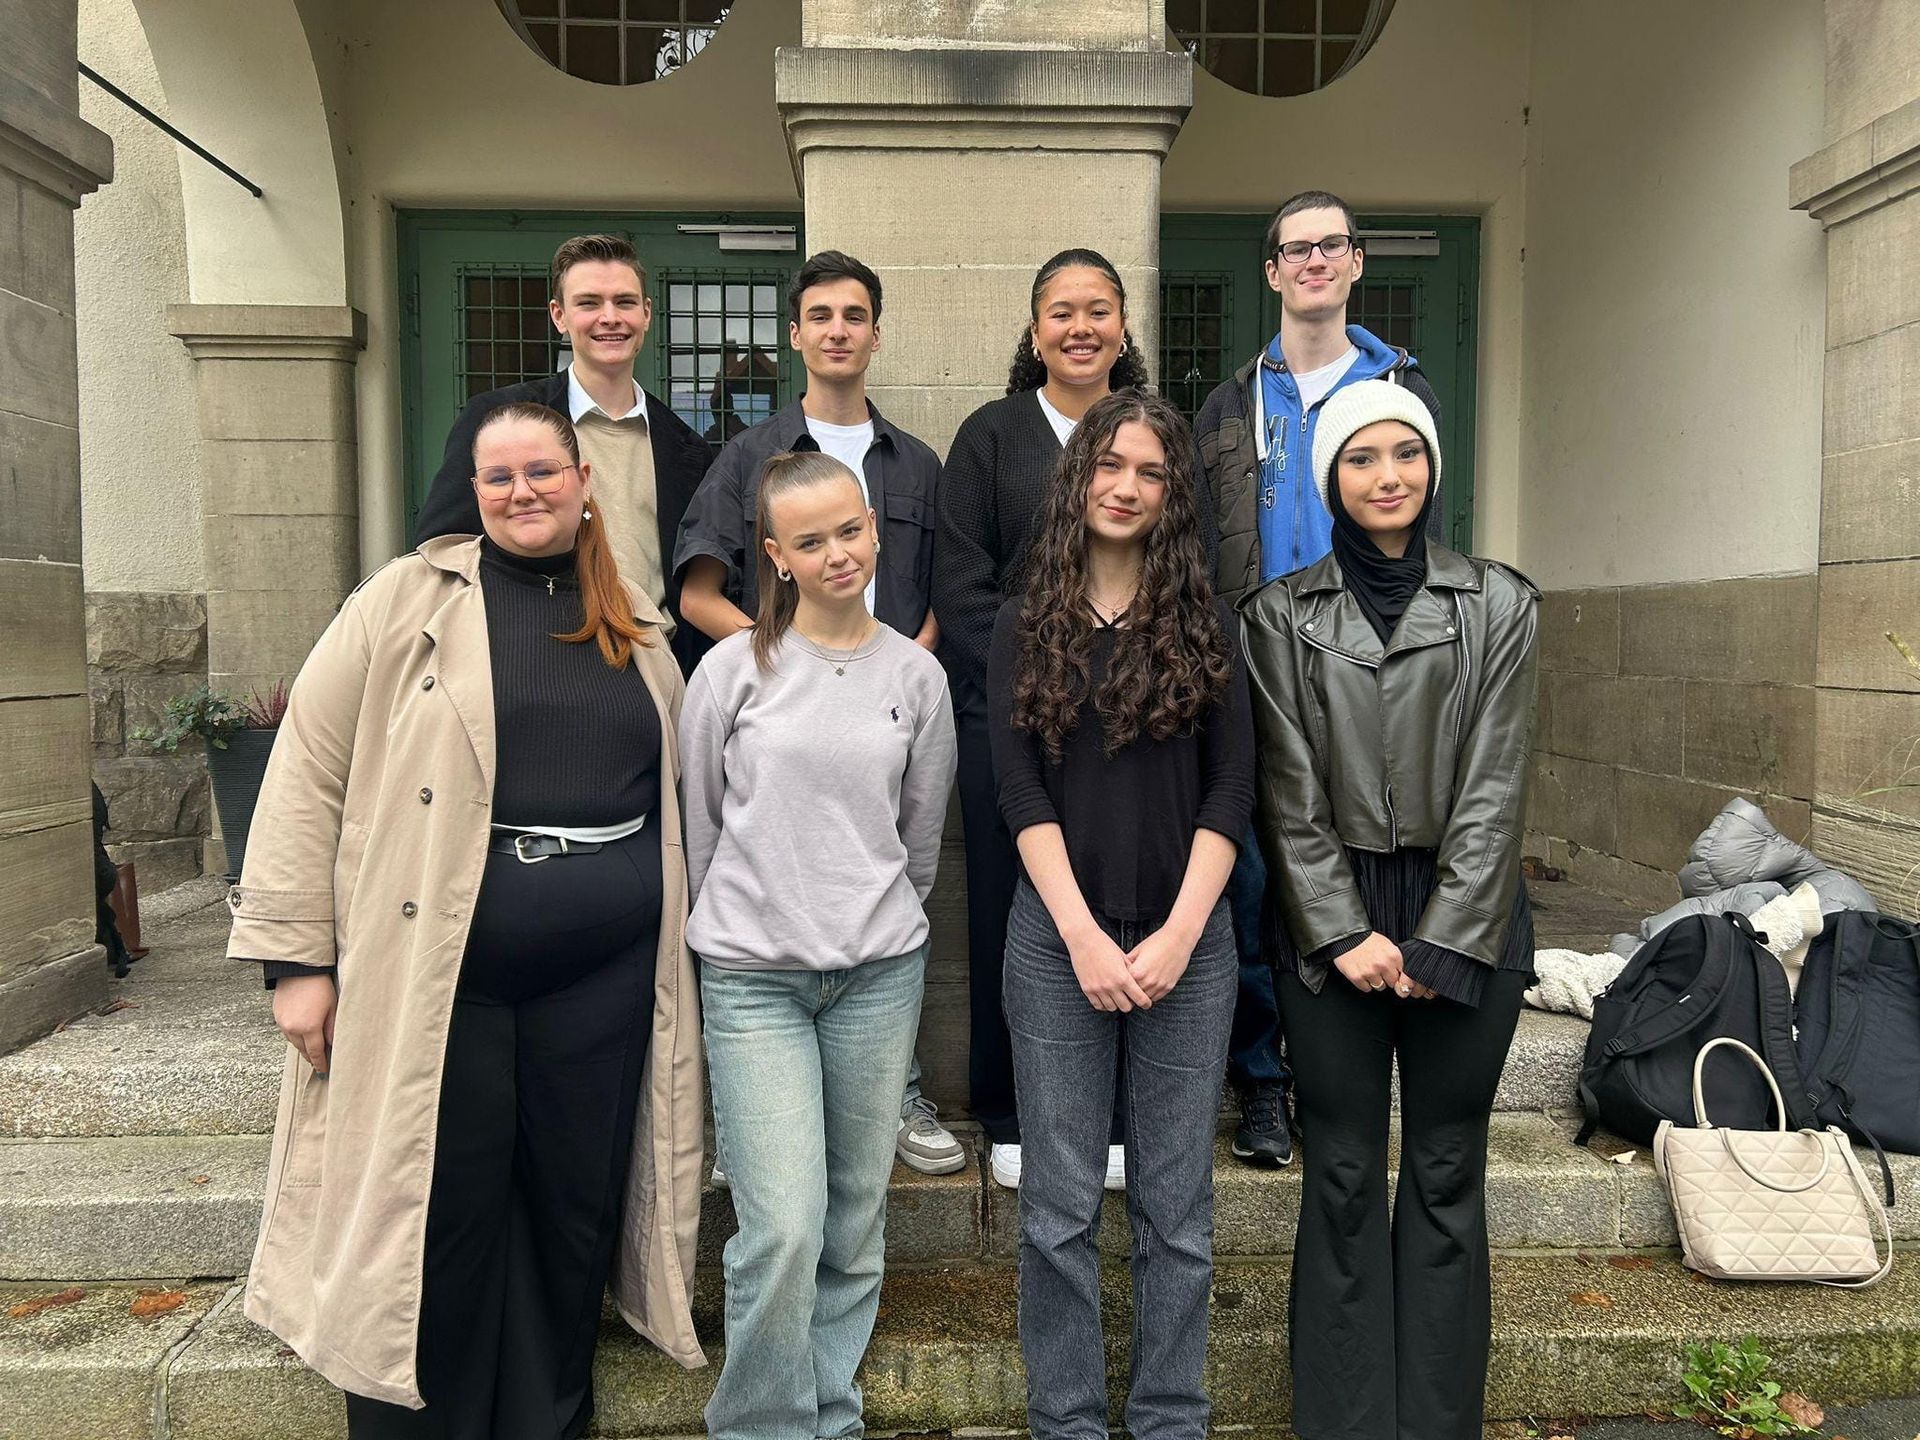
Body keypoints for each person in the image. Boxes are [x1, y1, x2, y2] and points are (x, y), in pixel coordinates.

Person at [230, 402, 704, 1437]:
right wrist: (294, 959)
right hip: (445, 968)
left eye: (543, 471)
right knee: (437, 1204)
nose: (522, 491)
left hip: (607, 976)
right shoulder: (404, 601)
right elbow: (306, 769)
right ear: (473, 491)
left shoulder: (636, 618)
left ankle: (544, 1420)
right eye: (499, 476)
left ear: (583, 483)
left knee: (569, 1208)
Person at [1240, 380, 1539, 1440]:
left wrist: (1445, 939)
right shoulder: (1278, 615)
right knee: (1343, 1173)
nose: (1388, 476)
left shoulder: (1500, 602)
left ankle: (1438, 1423)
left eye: (1406, 453)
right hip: (1333, 922)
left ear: (1432, 467)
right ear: (1331, 478)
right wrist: (1340, 930)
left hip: (1471, 915)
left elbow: (1498, 780)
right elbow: (1286, 790)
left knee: (1448, 1169)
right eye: (1361, 458)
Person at [989, 390, 1250, 1440]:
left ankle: (1170, 1418)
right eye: (1110, 465)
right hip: (1059, 942)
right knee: (1058, 1210)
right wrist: (1085, 938)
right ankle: (1066, 1421)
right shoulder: (1023, 623)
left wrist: (1179, 936)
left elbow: (1232, 792)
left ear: (1174, 494)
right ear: (1077, 477)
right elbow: (1019, 793)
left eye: (1150, 471)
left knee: (1176, 1212)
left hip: (1191, 943)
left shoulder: (1208, 623)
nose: (1127, 487)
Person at [681, 450, 956, 1440]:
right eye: (810, 541)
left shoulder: (917, 676)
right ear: (775, 557)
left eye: (850, 530)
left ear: (875, 529)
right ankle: (760, 1425)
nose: (837, 553)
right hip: (754, 981)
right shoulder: (728, 673)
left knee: (852, 1220)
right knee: (785, 1226)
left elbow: (919, 837)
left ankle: (829, 1414)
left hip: (877, 978)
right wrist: (747, 924)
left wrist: (867, 921)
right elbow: (700, 827)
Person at [673, 252, 958, 1174]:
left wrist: (884, 668)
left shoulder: (917, 463)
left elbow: (944, 595)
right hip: (782, 713)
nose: (838, 330)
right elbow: (698, 593)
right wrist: (791, 659)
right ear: (796, 334)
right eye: (821, 315)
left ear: (876, 333)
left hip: (886, 710)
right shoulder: (747, 456)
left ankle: (896, 1093)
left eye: (855, 315)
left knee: (883, 896)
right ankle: (753, 1123)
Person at [1196, 189, 1444, 1169]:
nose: (1313, 262)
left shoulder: (1399, 389)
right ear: (1272, 272)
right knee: (1256, 878)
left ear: (1355, 262)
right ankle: (1263, 1078)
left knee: (1357, 864)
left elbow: (1424, 534)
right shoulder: (1231, 404)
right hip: (1255, 667)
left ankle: (1337, 1068)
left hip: (1367, 666)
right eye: (1295, 250)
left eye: (1329, 246)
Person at [933, 248, 1155, 1191]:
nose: (1080, 327)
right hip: (1014, 717)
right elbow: (961, 585)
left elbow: (1182, 567)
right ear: (1034, 332)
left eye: (1098, 309)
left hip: (1138, 724)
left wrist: (1121, 680)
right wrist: (1055, 675)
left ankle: (1119, 1115)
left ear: (1122, 327)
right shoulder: (990, 438)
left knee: (1125, 904)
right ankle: (1011, 1108)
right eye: (1061, 311)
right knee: (1008, 907)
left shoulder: (1155, 433)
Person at [413, 233, 718, 675]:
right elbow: (444, 550)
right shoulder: (499, 421)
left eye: (625, 302)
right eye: (589, 303)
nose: (610, 318)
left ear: (647, 314)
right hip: (531, 661)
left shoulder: (688, 448)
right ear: (559, 315)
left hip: (654, 669)